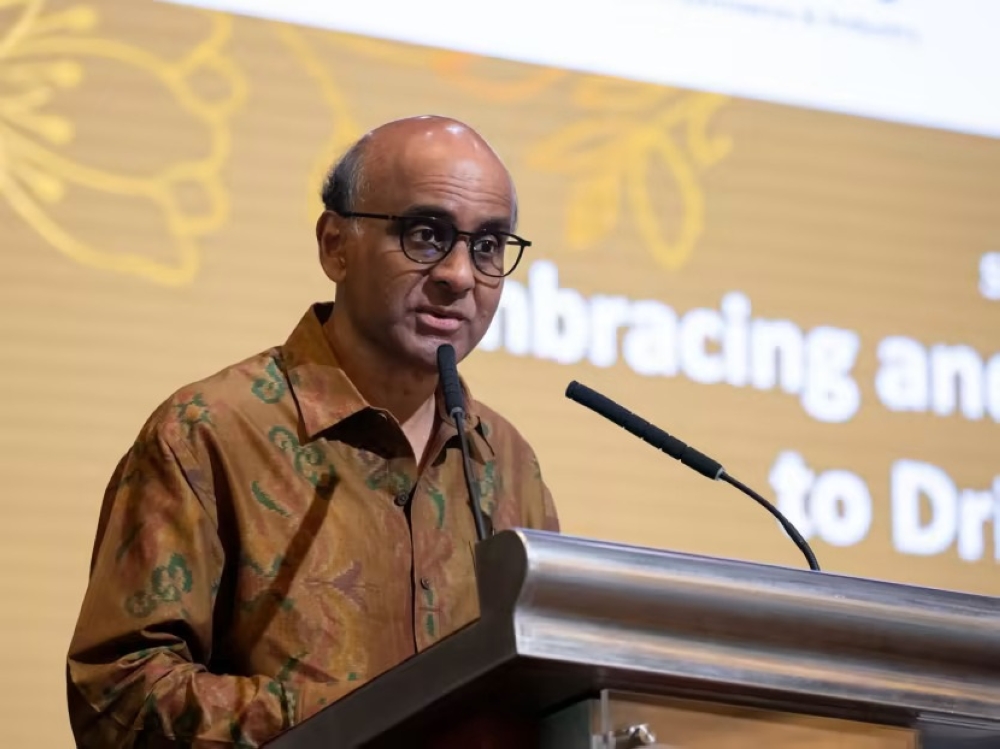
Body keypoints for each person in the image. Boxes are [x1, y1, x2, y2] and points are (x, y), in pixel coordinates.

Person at [66, 115, 560, 748]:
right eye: (427, 235)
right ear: (335, 245)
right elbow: (119, 693)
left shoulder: (506, 462)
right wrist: (360, 717)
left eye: (488, 246)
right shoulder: (209, 433)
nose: (459, 275)